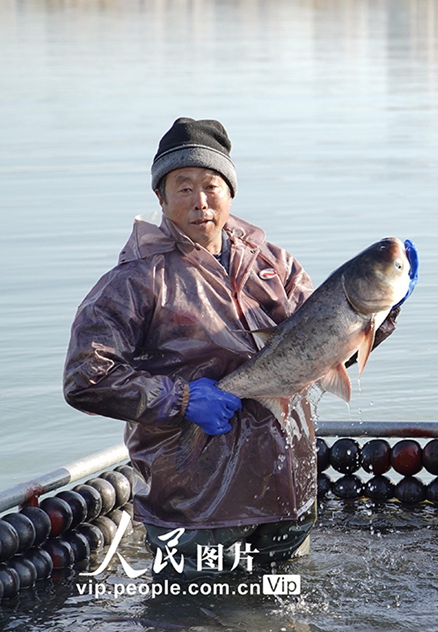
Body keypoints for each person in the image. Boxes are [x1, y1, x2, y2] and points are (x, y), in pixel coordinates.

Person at [64, 117, 417, 575]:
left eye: (211, 185)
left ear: (231, 191)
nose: (200, 201)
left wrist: (380, 316)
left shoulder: (276, 264)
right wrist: (182, 399)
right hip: (197, 507)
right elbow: (86, 380)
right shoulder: (134, 282)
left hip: (286, 492)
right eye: (183, 187)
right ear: (160, 196)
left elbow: (326, 355)